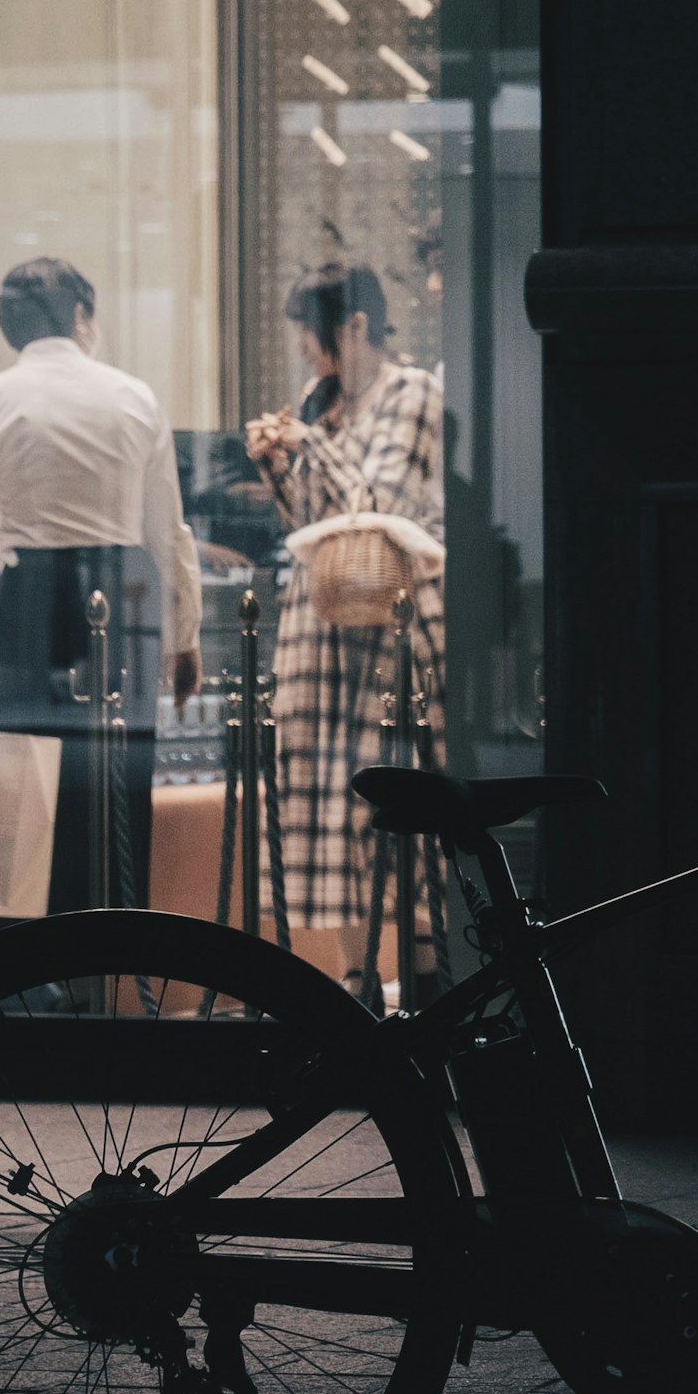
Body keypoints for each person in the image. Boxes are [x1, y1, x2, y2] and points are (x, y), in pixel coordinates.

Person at [0, 257, 201, 912]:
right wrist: (183, 636)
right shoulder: (134, 395)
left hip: (32, 591)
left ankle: (28, 957)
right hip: (125, 584)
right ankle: (112, 945)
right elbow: (167, 531)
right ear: (82, 316)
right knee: (117, 780)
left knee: (23, 784)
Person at [242, 261, 447, 937]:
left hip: (390, 624)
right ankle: (358, 983)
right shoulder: (318, 400)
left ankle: (420, 980)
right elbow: (308, 520)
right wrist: (279, 459)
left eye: (312, 328)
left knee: (392, 804)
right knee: (323, 806)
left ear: (356, 325)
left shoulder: (412, 392)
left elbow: (383, 504)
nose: (304, 344)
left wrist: (311, 448)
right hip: (318, 624)